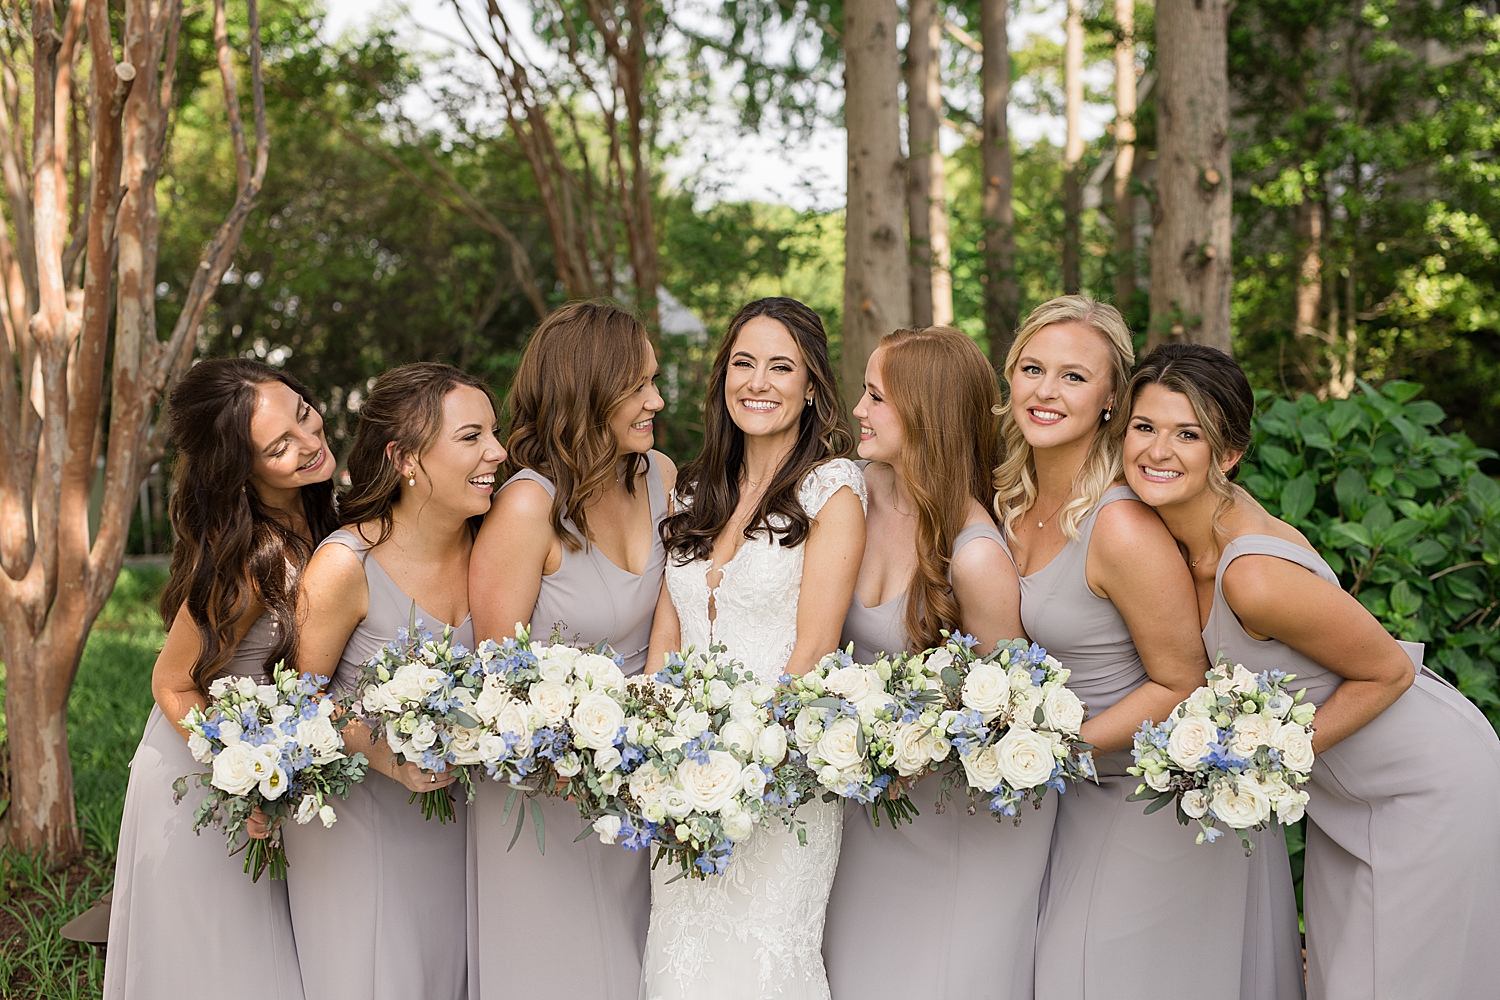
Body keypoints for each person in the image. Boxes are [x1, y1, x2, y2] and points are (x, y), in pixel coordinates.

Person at [1122, 342, 1500, 1000]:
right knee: (1340, 979)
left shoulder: (1253, 576)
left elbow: (1388, 672)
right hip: (1344, 795)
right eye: (1144, 427)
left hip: (1425, 784)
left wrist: (1261, 762)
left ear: (1229, 451)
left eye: (1188, 434)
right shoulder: (1178, 543)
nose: (1159, 451)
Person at [995, 296, 1301, 1000]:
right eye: (1032, 368)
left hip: (1149, 797)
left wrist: (1049, 755)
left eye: (1074, 377)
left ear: (1111, 400)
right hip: (1076, 800)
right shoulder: (1010, 498)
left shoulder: (1122, 523)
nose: (1046, 390)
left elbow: (1180, 682)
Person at [641, 297, 866, 1000]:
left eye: (781, 366)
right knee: (679, 967)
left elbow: (816, 646)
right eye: (743, 363)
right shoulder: (693, 490)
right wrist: (658, 749)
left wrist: (742, 764)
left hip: (780, 779)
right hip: (681, 780)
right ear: (722, 378)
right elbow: (666, 637)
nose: (758, 382)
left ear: (811, 386)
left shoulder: (834, 490)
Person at [822, 326, 1052, 999]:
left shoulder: (974, 555)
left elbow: (1011, 714)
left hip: (955, 826)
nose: (858, 410)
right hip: (864, 814)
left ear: (924, 412)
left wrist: (913, 745)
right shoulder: (847, 495)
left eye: (875, 397)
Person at [105, 359, 337, 999]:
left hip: (265, 764)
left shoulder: (321, 512)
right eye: (279, 447)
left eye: (302, 415)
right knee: (222, 965)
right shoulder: (244, 565)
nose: (308, 442)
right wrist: (242, 775)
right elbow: (172, 683)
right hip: (200, 770)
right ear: (244, 470)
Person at [466, 301, 673, 999]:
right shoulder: (529, 506)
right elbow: (497, 676)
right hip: (545, 802)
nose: (658, 399)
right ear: (591, 389)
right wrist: (575, 750)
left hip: (640, 790)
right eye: (640, 385)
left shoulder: (660, 476)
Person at [285, 362, 504, 1000]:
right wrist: (385, 755)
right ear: (405, 458)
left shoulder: (495, 549)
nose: (498, 452)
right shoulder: (344, 565)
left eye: (494, 432)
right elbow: (302, 703)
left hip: (470, 825)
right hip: (366, 831)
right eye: (472, 437)